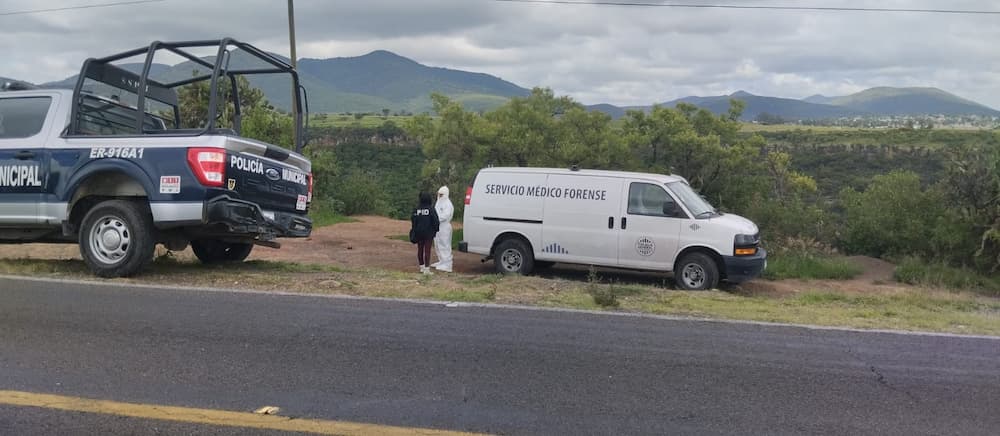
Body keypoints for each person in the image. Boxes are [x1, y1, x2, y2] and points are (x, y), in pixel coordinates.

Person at [410, 192, 439, 274]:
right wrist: (435, 230)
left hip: (419, 232)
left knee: (420, 250)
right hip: (428, 233)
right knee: (427, 250)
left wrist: (414, 229)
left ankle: (421, 267)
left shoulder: (416, 209)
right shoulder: (431, 209)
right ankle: (427, 269)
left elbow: (413, 220)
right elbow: (435, 221)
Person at [432, 186, 455, 272]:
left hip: (444, 227)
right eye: (439, 194)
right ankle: (441, 261)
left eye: (441, 194)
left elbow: (445, 216)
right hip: (437, 226)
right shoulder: (438, 202)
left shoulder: (448, 204)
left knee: (444, 245)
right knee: (437, 244)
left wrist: (436, 218)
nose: (440, 196)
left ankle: (447, 264)